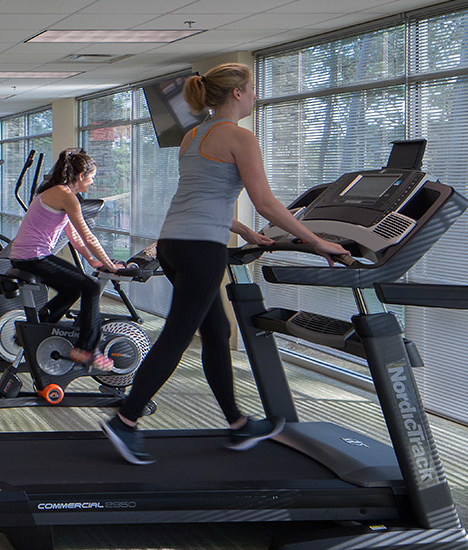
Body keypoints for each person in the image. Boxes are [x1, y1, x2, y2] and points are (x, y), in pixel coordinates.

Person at [98, 63, 350, 465]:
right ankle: (125, 420)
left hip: (173, 243)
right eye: (252, 89)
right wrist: (317, 242)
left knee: (216, 330)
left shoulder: (192, 136)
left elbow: (200, 197)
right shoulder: (239, 138)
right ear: (236, 94)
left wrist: (243, 230)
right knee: (179, 334)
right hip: (200, 248)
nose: (255, 96)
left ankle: (236, 423)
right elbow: (265, 202)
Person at [9, 148, 120, 370]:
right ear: (81, 176)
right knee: (90, 288)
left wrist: (91, 260)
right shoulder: (66, 196)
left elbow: (74, 235)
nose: (91, 183)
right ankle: (86, 350)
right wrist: (109, 265)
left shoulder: (56, 192)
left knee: (74, 289)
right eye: (91, 178)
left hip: (26, 256)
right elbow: (88, 235)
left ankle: (35, 329)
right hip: (34, 256)